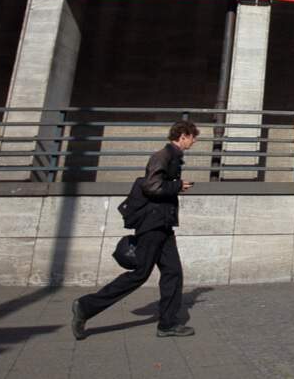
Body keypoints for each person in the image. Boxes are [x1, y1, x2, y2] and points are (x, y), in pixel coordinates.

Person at [72, 120, 201, 339]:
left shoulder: (172, 157)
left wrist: (176, 186)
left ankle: (167, 324)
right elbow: (152, 186)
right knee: (140, 274)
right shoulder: (164, 155)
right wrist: (178, 186)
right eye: (193, 137)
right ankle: (86, 306)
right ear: (183, 136)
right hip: (153, 224)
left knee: (173, 272)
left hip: (163, 224)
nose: (194, 141)